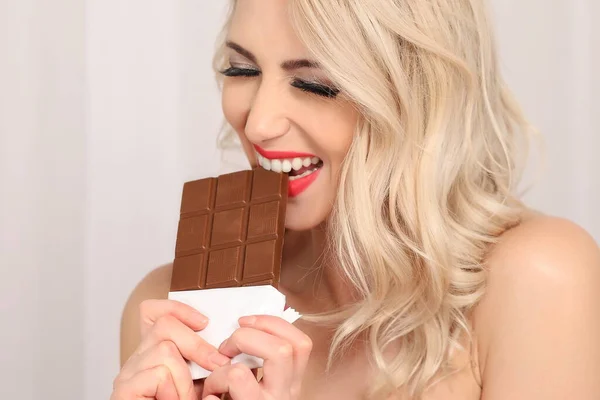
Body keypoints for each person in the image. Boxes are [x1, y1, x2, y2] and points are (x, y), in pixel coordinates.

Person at [110, 0, 600, 399]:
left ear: (416, 94)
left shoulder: (538, 280)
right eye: (243, 69)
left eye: (314, 83)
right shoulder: (170, 312)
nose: (258, 123)